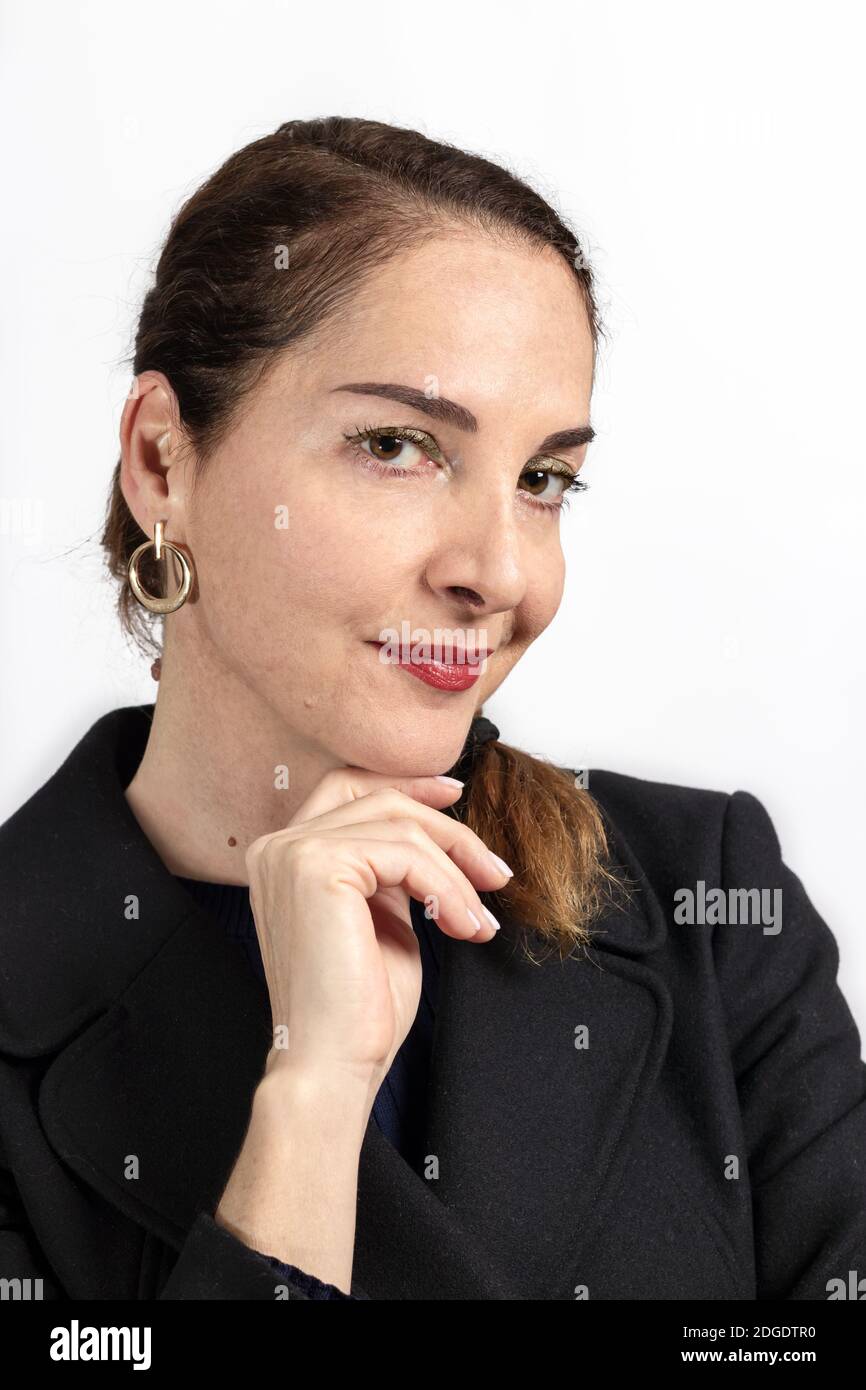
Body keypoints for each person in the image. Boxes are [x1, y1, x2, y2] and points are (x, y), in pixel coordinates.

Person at [1, 116, 864, 1301]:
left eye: (543, 479)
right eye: (398, 445)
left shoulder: (709, 912)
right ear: (161, 460)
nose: (500, 572)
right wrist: (308, 1101)